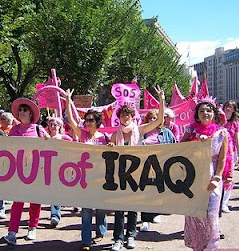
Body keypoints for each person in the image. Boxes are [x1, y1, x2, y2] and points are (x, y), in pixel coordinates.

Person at [108, 87, 165, 251]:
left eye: (128, 115)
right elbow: (107, 153)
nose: (125, 117)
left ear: (133, 117)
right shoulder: (115, 134)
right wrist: (111, 146)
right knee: (119, 209)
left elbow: (159, 119)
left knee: (133, 208)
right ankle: (118, 238)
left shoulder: (139, 130)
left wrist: (161, 99)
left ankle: (131, 236)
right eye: (123, 115)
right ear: (119, 117)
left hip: (137, 174)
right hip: (120, 176)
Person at [181, 98, 230, 251]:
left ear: (214, 113)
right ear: (197, 114)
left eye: (208, 110)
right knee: (194, 213)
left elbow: (223, 158)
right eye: (201, 111)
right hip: (193, 176)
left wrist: (217, 177)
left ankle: (212, 245)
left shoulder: (221, 133)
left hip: (212, 177)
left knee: (211, 212)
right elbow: (180, 149)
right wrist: (194, 140)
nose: (205, 113)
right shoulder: (191, 130)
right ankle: (198, 244)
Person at [65, 89, 110, 251]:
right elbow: (71, 120)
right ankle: (86, 240)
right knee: (85, 211)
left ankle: (101, 230)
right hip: (85, 179)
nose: (88, 122)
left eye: (91, 120)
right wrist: (68, 100)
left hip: (100, 179)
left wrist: (110, 147)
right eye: (86, 120)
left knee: (100, 209)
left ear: (97, 122)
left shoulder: (104, 138)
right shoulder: (82, 135)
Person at [3, 98, 49, 246]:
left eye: (25, 110)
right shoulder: (14, 130)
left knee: (35, 200)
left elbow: (49, 146)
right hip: (18, 171)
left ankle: (32, 228)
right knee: (17, 202)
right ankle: (12, 233)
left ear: (30, 114)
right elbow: (7, 147)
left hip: (36, 170)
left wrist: (49, 140)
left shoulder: (38, 129)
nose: (21, 112)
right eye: (20, 110)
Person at [139, 107, 176, 233]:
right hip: (145, 166)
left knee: (159, 191)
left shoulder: (167, 132)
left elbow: (176, 147)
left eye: (155, 118)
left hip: (162, 166)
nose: (153, 120)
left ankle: (156, 213)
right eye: (151, 118)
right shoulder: (143, 132)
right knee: (146, 193)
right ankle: (145, 221)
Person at [46, 117, 73, 227]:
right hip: (48, 168)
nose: (53, 126)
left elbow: (74, 149)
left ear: (60, 126)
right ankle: (55, 214)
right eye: (51, 124)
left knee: (57, 191)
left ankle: (55, 215)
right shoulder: (45, 138)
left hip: (62, 167)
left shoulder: (65, 138)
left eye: (55, 124)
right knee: (53, 192)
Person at [222, 100, 239, 213]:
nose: (228, 108)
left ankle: (224, 203)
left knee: (229, 178)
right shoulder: (219, 120)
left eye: (231, 107)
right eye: (227, 106)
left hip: (230, 152)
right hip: (219, 152)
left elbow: (237, 140)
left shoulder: (235, 123)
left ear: (234, 110)